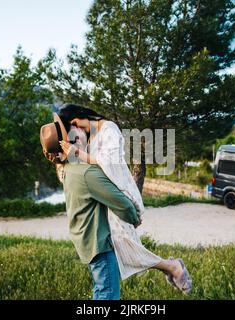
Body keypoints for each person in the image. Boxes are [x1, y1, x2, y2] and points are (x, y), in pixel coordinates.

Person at [40, 106, 192, 300]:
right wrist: (62, 158)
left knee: (121, 260)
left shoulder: (106, 131)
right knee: (124, 256)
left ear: (76, 123)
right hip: (102, 203)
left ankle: (172, 267)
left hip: (113, 195)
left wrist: (77, 154)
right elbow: (73, 176)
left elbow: (110, 165)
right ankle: (172, 267)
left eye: (71, 134)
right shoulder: (81, 147)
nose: (73, 141)